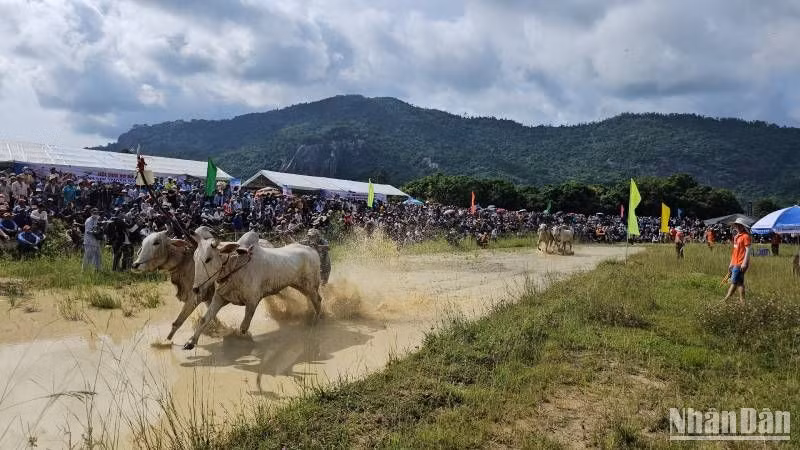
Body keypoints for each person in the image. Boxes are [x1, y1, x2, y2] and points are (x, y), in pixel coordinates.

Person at [723, 218, 751, 304]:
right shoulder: (736, 237)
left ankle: (726, 299)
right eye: (737, 225)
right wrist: (731, 263)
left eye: (740, 225)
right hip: (735, 262)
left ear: (743, 226)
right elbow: (735, 252)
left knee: (734, 282)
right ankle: (743, 301)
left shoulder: (745, 236)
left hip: (740, 263)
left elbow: (748, 250)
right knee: (740, 283)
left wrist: (744, 262)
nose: (738, 227)